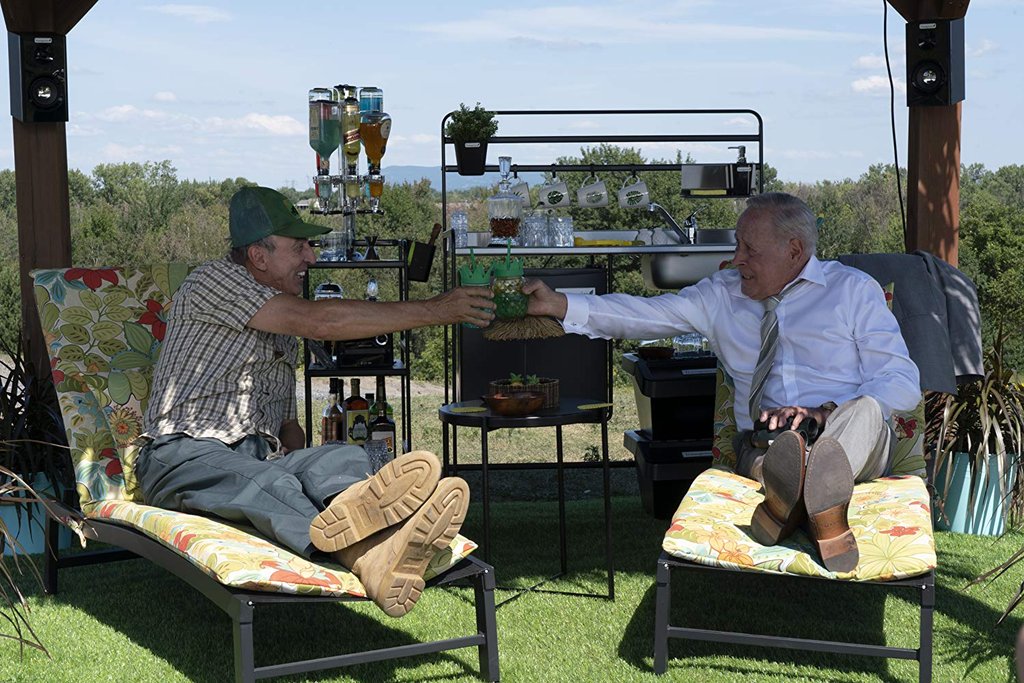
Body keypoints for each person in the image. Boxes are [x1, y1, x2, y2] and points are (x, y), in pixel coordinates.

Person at [137, 186, 495, 617]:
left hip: (255, 457)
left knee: (340, 459)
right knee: (267, 485)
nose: (311, 258)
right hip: (180, 455)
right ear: (258, 255)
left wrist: (307, 463)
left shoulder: (278, 318)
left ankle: (388, 529)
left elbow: (287, 425)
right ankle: (372, 554)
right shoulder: (213, 281)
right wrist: (439, 309)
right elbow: (322, 321)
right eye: (299, 246)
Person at [524, 192, 921, 572]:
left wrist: (825, 413)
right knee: (777, 457)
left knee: (866, 411)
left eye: (750, 250)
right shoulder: (720, 296)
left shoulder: (852, 291)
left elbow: (901, 382)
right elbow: (645, 314)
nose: (737, 260)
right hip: (770, 444)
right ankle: (823, 513)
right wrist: (561, 304)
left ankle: (792, 503)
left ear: (795, 251)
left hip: (848, 437)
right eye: (737, 246)